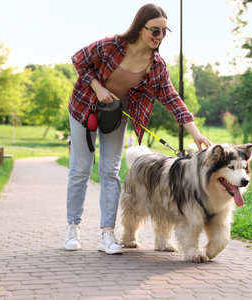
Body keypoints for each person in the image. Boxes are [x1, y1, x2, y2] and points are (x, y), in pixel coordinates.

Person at [64, 3, 212, 254]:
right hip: (85, 108)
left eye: (165, 32)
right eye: (155, 31)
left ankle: (107, 234)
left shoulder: (156, 66)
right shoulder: (111, 45)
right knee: (81, 169)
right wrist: (98, 88)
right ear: (140, 27)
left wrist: (195, 132)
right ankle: (72, 227)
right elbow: (79, 60)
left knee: (110, 171)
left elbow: (172, 99)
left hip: (115, 116)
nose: (159, 37)